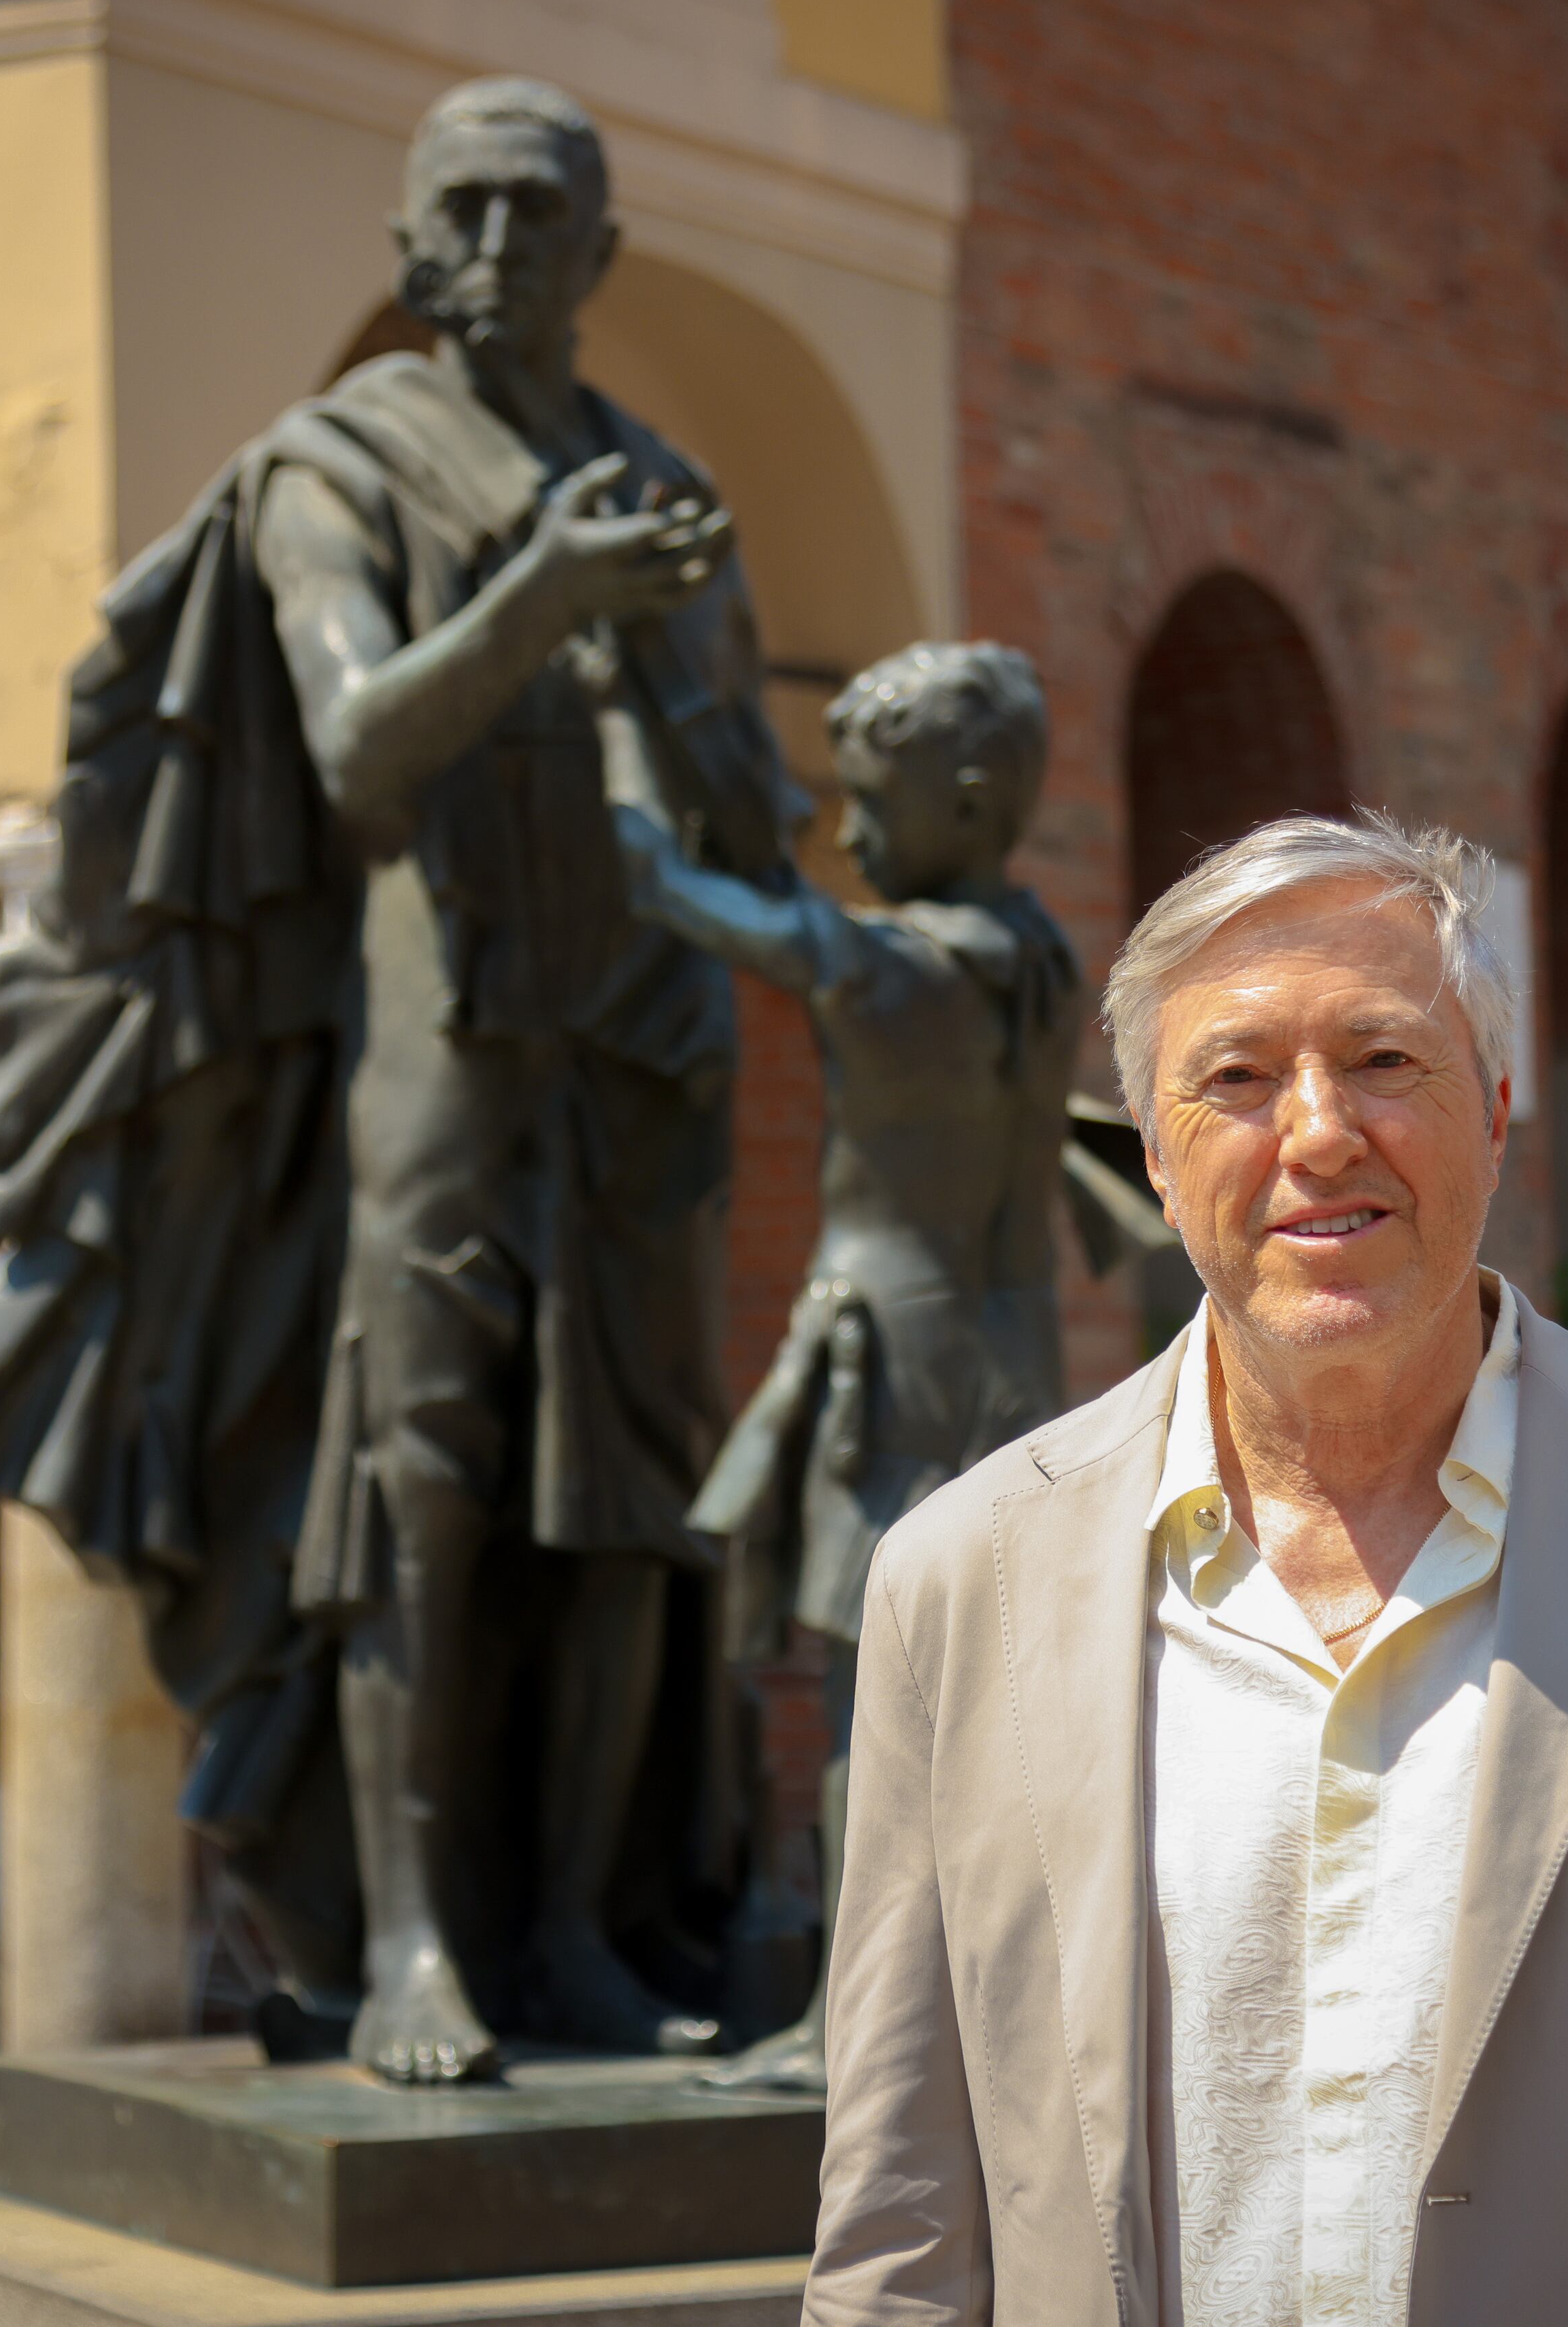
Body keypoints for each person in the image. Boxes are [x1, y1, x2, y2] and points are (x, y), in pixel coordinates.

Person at [0, 76, 793, 2086]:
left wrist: (671, 682)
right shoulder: (336, 467)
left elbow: (751, 819)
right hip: (433, 1034)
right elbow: (359, 744)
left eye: (545, 212)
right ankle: (418, 1942)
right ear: (411, 250)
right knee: (415, 1488)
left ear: (604, 252)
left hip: (637, 1046)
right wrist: (547, 602)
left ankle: (573, 1931)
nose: (504, 246)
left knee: (625, 1507)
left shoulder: (658, 483)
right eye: (468, 208)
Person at [805, 811, 1568, 2324]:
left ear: (1500, 1104)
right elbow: (897, 2234)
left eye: (1385, 1059)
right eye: (1236, 1080)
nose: (1317, 1131)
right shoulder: (960, 1581)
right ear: (1153, 1151)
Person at [595, 641, 1081, 2094]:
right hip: (1010, 1356)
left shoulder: (907, 971)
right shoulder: (1042, 953)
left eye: (872, 803)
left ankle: (849, 2030)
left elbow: (669, 892)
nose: (847, 833)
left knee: (880, 1708)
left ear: (977, 800)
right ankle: (953, 2021)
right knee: (971, 1710)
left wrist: (621, 715)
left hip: (901, 1368)